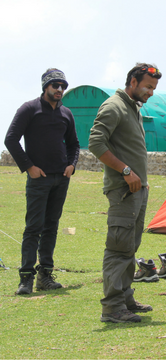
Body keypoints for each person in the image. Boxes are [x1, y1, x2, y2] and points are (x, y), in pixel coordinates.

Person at [88, 63, 162, 323]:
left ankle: (125, 298)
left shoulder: (133, 108)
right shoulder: (113, 106)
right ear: (132, 81)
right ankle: (112, 308)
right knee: (119, 248)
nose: (151, 92)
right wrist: (126, 171)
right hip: (122, 191)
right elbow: (95, 142)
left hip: (136, 191)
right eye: (148, 87)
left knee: (130, 247)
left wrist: (141, 181)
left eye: (153, 88)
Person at [4, 68, 80, 295]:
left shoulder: (66, 113)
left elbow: (74, 144)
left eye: (63, 86)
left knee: (51, 227)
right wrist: (29, 167)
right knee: (33, 228)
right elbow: (11, 139)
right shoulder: (29, 109)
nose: (59, 90)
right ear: (45, 86)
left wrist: (71, 166)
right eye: (55, 85)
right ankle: (26, 278)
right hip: (39, 179)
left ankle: (45, 276)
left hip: (61, 178)